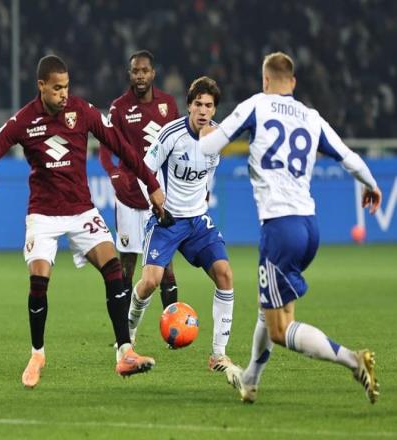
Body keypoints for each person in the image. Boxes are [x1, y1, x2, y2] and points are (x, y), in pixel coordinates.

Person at [0, 55, 168, 388]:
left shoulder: (82, 111)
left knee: (114, 270)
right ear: (41, 86)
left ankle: (125, 352)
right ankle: (37, 354)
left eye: (66, 87)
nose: (63, 94)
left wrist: (152, 184)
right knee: (39, 279)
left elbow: (123, 146)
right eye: (57, 88)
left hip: (81, 211)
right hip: (43, 215)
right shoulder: (23, 121)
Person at [199, 52, 381, 404]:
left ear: (265, 80)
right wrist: (371, 184)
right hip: (309, 227)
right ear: (293, 82)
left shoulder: (257, 105)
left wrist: (206, 130)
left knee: (280, 329)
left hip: (280, 229)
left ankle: (353, 359)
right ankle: (250, 381)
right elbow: (350, 158)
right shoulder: (311, 117)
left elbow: (208, 145)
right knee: (270, 308)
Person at [128, 76, 236, 372]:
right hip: (167, 220)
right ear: (189, 106)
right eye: (198, 104)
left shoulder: (218, 138)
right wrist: (155, 202)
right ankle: (128, 335)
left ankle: (219, 354)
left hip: (197, 221)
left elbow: (208, 174)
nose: (203, 110)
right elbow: (144, 171)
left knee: (225, 274)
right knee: (150, 282)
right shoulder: (171, 134)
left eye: (209, 106)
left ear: (214, 109)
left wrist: (205, 195)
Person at [99, 50, 180, 311]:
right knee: (127, 263)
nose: (140, 76)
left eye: (145, 71)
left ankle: (171, 321)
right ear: (130, 74)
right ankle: (124, 329)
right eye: (135, 71)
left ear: (153, 73)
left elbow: (180, 145)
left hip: (159, 193)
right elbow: (105, 147)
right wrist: (113, 173)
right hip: (129, 195)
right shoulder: (119, 107)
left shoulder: (168, 104)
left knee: (165, 264)